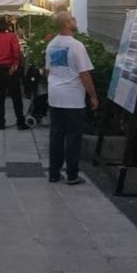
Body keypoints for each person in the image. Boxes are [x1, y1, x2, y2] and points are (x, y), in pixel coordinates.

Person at [46, 11, 98, 185]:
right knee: (74, 136)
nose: (75, 21)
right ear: (67, 24)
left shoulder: (51, 45)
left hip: (55, 95)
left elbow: (48, 70)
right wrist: (93, 96)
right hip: (73, 97)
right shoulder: (76, 46)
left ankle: (54, 172)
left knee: (56, 135)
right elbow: (84, 74)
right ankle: (72, 174)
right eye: (73, 19)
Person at [0, 18, 27, 130]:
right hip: (10, 70)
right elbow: (16, 52)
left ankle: (1, 123)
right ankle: (20, 122)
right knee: (16, 97)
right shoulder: (12, 37)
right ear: (6, 27)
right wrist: (15, 66)